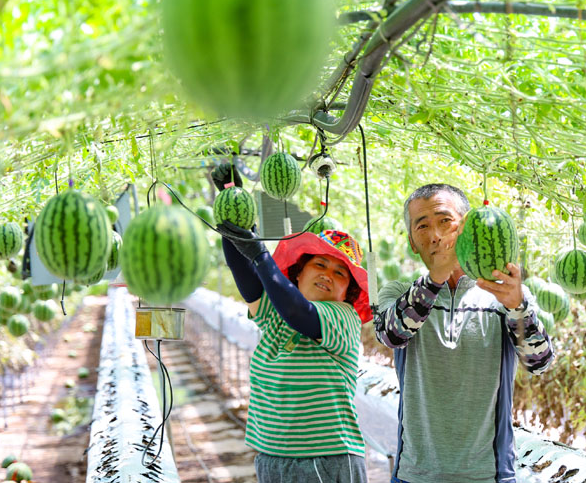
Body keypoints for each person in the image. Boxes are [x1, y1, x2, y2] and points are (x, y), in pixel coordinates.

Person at [374, 183, 555, 483]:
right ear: (412, 242)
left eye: (445, 221)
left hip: (489, 476)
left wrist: (517, 307)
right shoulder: (398, 293)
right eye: (423, 226)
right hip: (414, 475)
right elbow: (391, 335)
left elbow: (540, 362)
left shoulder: (505, 297)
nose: (435, 235)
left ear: (467, 229)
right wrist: (435, 279)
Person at [213, 163, 372, 483]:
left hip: (326, 460)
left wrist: (260, 253)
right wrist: (234, 205)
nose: (327, 275)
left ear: (348, 292)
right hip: (272, 458)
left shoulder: (343, 319)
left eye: (340, 273)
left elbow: (299, 313)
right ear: (299, 273)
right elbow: (247, 277)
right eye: (319, 264)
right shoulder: (277, 313)